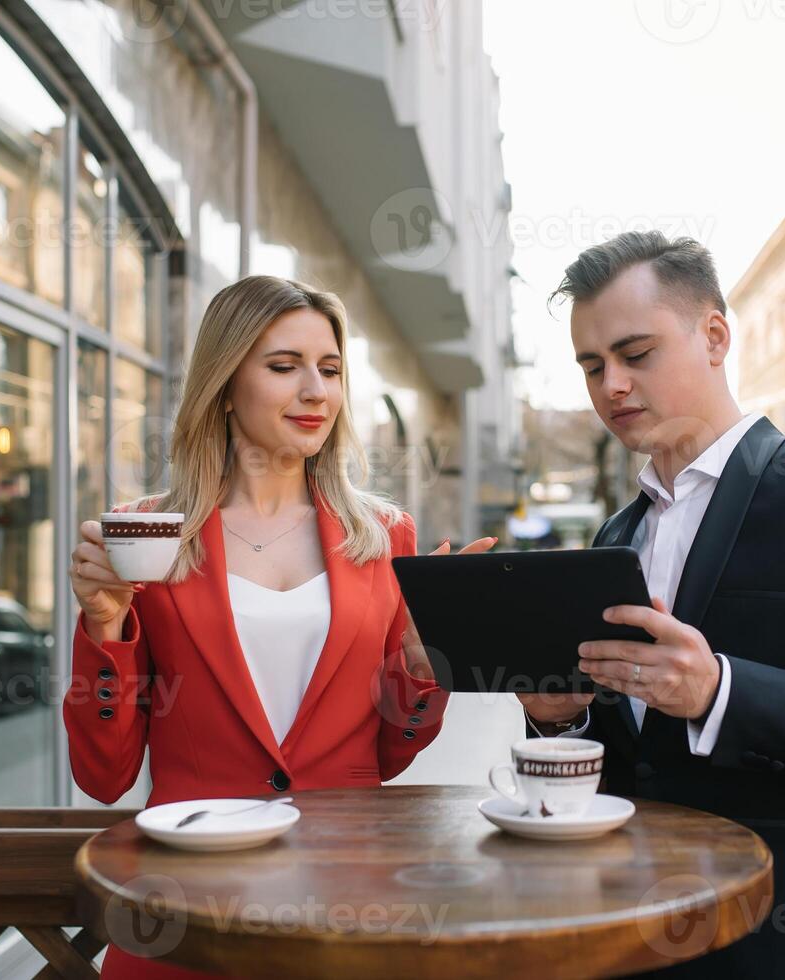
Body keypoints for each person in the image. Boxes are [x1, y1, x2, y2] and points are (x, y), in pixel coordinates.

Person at [518, 231, 785, 979]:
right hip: (631, 940)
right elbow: (635, 760)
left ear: (714, 336)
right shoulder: (617, 535)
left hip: (782, 946)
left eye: (635, 353)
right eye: (592, 366)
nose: (611, 385)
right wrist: (563, 717)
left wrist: (721, 692)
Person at [67, 275, 493, 980]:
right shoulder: (146, 535)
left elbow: (387, 757)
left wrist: (422, 664)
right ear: (226, 381)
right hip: (185, 911)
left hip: (345, 906)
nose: (316, 392)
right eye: (283, 366)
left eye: (329, 370)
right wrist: (105, 628)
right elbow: (103, 777)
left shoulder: (385, 536)